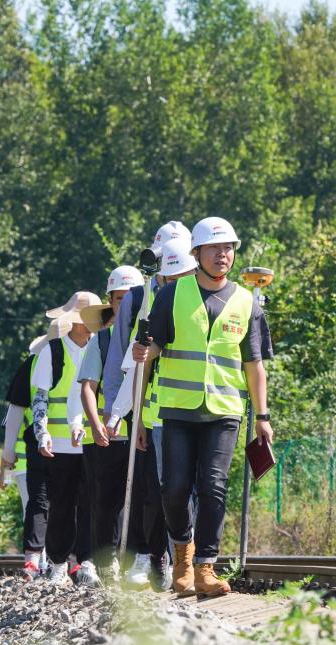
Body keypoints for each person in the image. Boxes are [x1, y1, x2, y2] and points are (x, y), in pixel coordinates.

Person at [133, 217, 273, 598]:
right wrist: (141, 409)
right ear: (196, 253)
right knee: (174, 489)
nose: (222, 254)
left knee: (214, 487)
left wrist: (262, 417)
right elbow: (151, 353)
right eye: (214, 248)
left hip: (223, 412)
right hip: (177, 410)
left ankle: (205, 567)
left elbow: (254, 364)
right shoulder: (171, 295)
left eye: (228, 248)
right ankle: (182, 553)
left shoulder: (246, 303)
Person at [107, 236, 197, 591]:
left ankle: (191, 562)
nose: (174, 284)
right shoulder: (148, 306)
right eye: (170, 279)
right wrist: (123, 414)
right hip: (158, 415)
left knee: (195, 491)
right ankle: (161, 559)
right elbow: (134, 366)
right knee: (162, 493)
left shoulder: (208, 304)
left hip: (199, 414)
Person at [68, 265, 144, 585]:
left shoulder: (150, 334)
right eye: (119, 298)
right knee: (105, 501)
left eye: (131, 298)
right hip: (108, 435)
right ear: (110, 301)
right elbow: (88, 386)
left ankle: (139, 559)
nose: (125, 304)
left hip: (142, 432)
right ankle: (106, 560)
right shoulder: (101, 339)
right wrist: (95, 423)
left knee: (142, 499)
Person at [30, 291, 101, 586]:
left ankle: (86, 562)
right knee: (61, 506)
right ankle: (58, 563)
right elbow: (41, 397)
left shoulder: (101, 346)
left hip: (94, 440)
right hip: (59, 445)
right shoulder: (53, 351)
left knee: (92, 504)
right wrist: (42, 432)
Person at [0, 351, 48, 580]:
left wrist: (5, 468)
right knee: (36, 510)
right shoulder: (32, 391)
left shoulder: (29, 389)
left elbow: (9, 431)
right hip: (26, 461)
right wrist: (5, 468)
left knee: (35, 510)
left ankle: (43, 563)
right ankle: (42, 563)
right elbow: (10, 434)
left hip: (27, 461)